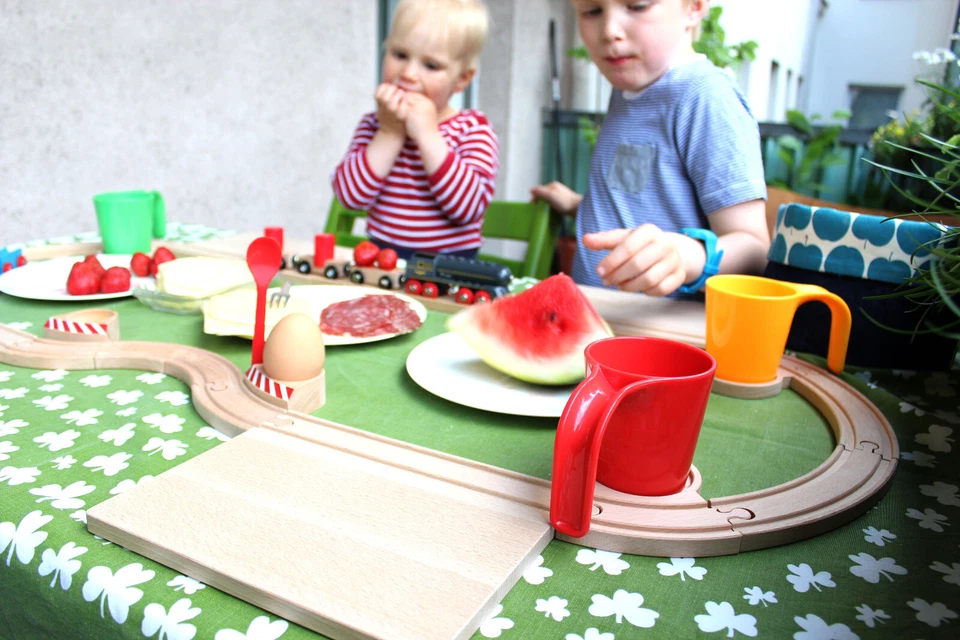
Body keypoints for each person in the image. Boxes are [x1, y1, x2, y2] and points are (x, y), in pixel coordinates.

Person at [532, 0, 770, 297]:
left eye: (637, 6)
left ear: (694, 7)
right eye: (592, 11)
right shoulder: (627, 91)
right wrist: (578, 204)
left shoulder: (706, 98)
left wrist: (688, 256)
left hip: (659, 333)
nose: (609, 31)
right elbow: (642, 204)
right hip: (602, 321)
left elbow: (755, 250)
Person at [331, 0, 498, 260]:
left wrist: (428, 134)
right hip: (382, 262)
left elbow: (468, 208)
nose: (408, 73)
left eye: (430, 65)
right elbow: (350, 197)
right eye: (399, 54)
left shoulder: (472, 129)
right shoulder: (374, 124)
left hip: (449, 268)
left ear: (462, 79)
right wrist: (389, 133)